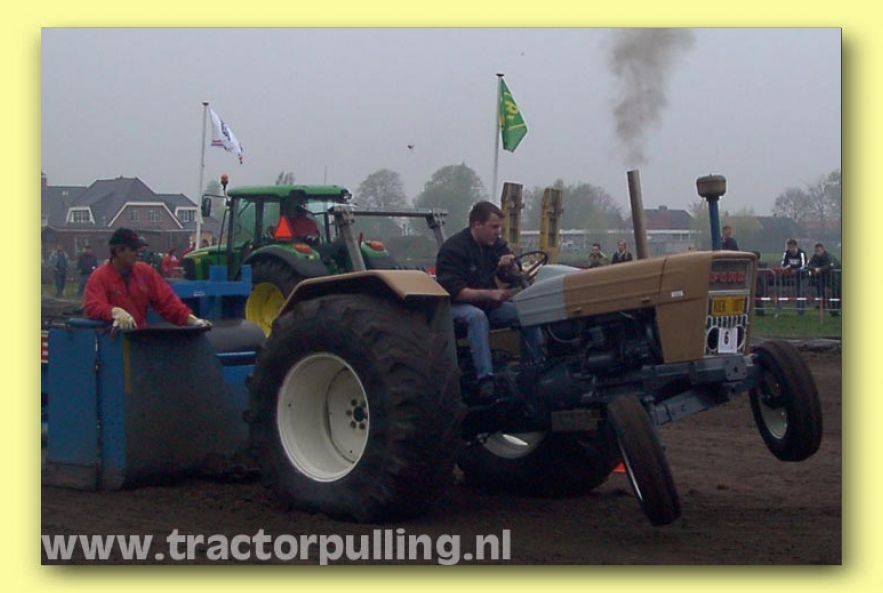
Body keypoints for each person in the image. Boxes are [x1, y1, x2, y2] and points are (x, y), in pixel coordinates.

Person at [435, 201, 543, 400]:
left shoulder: (495, 245)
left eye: (499, 227)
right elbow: (454, 291)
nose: (498, 232)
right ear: (477, 224)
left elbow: (511, 274)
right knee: (476, 317)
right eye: (494, 227)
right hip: (455, 307)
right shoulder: (453, 249)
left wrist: (510, 266)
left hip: (487, 305)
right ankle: (486, 379)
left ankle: (534, 369)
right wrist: (490, 294)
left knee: (528, 313)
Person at [84, 228, 211, 331]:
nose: (138, 252)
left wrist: (192, 320)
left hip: (139, 338)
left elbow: (166, 301)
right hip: (112, 342)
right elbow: (93, 306)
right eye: (133, 249)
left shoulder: (145, 272)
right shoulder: (99, 277)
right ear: (118, 251)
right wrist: (113, 312)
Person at [805, 243, 840, 313]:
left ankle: (835, 308)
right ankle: (822, 305)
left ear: (823, 250)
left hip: (835, 277)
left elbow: (830, 265)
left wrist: (820, 269)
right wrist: (814, 269)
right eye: (816, 251)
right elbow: (809, 265)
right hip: (823, 277)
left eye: (819, 251)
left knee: (836, 292)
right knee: (820, 289)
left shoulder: (828, 256)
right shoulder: (815, 257)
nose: (817, 253)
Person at [780, 239, 808, 315]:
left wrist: (795, 269)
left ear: (796, 246)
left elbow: (803, 265)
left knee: (802, 292)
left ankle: (802, 310)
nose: (791, 249)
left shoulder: (801, 253)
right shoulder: (786, 253)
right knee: (798, 293)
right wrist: (787, 268)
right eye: (789, 247)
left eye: (792, 247)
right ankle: (798, 309)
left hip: (804, 275)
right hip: (796, 276)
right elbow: (783, 264)